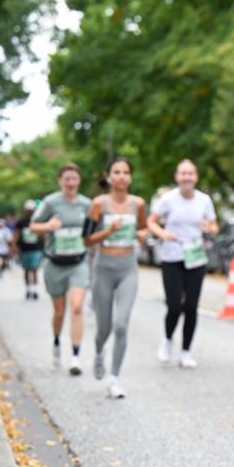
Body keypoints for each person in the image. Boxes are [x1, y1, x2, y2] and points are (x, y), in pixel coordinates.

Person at [83, 157, 148, 398]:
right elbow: (86, 239)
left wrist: (142, 234)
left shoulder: (138, 204)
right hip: (103, 269)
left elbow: (143, 227)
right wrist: (108, 231)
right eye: (116, 172)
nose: (121, 176)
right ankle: (99, 350)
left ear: (130, 177)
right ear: (109, 177)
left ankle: (114, 377)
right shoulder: (98, 204)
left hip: (128, 268)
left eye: (125, 172)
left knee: (121, 324)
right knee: (104, 327)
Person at [147, 159, 218, 369]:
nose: (186, 177)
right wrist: (163, 233)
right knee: (175, 305)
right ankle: (167, 340)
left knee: (192, 307)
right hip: (172, 257)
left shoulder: (204, 200)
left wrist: (210, 227)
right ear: (177, 177)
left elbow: (214, 225)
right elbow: (152, 221)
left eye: (190, 173)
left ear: (196, 177)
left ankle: (186, 351)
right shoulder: (168, 199)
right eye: (183, 173)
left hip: (195, 257)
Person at [29, 163, 92, 375]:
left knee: (76, 307)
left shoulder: (86, 204)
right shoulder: (50, 202)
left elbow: (93, 231)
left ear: (79, 181)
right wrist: (48, 227)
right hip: (55, 264)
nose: (71, 183)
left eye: (74, 178)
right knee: (59, 311)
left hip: (78, 263)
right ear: (60, 181)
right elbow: (33, 226)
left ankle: (75, 356)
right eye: (67, 179)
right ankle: (56, 342)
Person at [14, 199, 43, 300]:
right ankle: (28, 289)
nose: (30, 212)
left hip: (36, 249)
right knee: (27, 270)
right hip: (24, 249)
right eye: (28, 210)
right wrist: (14, 247)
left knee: (34, 269)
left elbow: (42, 235)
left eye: (32, 210)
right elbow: (16, 235)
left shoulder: (38, 221)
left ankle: (34, 290)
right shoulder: (21, 222)